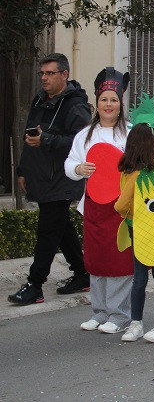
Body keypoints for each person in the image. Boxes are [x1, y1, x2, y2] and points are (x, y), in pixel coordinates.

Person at [8, 53, 92, 306]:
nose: (43, 78)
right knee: (61, 227)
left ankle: (35, 285)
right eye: (42, 73)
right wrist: (23, 169)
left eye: (49, 73)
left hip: (61, 179)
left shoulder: (76, 106)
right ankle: (82, 273)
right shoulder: (39, 99)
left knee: (47, 231)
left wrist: (46, 140)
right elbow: (29, 134)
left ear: (64, 75)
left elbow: (80, 144)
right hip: (40, 175)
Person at [64, 68, 133, 333]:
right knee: (96, 259)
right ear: (97, 102)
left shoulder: (130, 134)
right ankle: (99, 311)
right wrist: (79, 169)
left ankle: (119, 315)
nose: (109, 104)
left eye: (113, 100)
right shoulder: (85, 136)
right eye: (104, 99)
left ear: (120, 103)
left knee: (120, 261)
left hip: (122, 209)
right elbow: (69, 164)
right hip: (93, 206)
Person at [115, 123, 154, 343]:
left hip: (137, 228)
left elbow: (120, 206)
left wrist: (132, 212)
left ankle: (136, 322)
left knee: (139, 278)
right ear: (151, 144)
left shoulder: (131, 173)